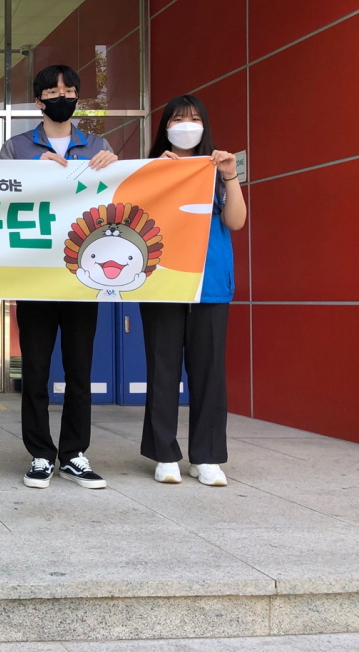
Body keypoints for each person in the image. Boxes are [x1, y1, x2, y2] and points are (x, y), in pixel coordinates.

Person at [0, 64, 117, 490]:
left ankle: (74, 454)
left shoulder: (99, 145)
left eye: (68, 90)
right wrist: (34, 171)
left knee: (79, 369)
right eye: (52, 91)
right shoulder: (16, 148)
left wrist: (116, 167)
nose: (61, 96)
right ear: (39, 101)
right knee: (35, 370)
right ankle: (40, 454)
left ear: (78, 97)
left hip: (83, 275)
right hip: (34, 275)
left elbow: (120, 197)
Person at [140, 95, 246, 487]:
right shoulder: (149, 169)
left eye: (195, 118)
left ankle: (208, 456)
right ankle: (164, 454)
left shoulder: (217, 168)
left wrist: (230, 175)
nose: (187, 125)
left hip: (211, 282)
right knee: (163, 368)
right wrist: (156, 174)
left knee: (209, 371)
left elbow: (236, 221)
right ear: (165, 126)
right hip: (163, 281)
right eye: (178, 119)